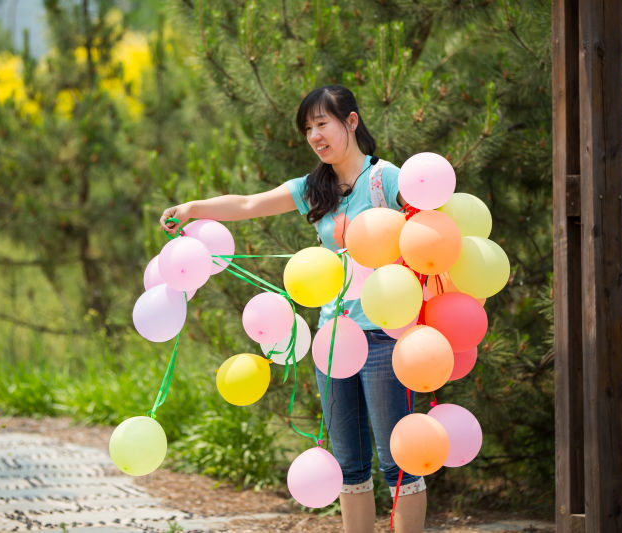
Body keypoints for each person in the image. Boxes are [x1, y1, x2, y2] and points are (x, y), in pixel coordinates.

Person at [159, 85, 427, 533]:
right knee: (349, 464)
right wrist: (191, 208)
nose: (315, 135)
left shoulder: (387, 179)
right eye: (308, 128)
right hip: (334, 339)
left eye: (323, 123)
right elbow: (248, 204)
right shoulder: (313, 188)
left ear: (352, 122)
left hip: (385, 336)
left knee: (399, 461)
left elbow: (428, 234)